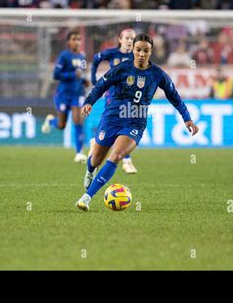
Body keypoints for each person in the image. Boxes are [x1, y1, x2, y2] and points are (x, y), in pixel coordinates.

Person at [75, 33, 199, 211]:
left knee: (117, 156)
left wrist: (187, 118)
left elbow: (175, 97)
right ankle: (90, 168)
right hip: (112, 118)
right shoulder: (121, 69)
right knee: (96, 159)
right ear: (133, 50)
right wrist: (89, 102)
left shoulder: (158, 75)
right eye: (138, 50)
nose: (142, 54)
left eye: (146, 51)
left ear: (151, 52)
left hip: (135, 123)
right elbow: (101, 85)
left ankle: (86, 197)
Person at [90, 28, 138, 174]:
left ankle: (97, 141)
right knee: (117, 121)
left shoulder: (136, 55)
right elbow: (96, 59)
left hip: (129, 94)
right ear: (120, 40)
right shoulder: (111, 53)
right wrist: (94, 79)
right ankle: (127, 161)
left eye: (132, 38)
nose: (130, 41)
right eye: (127, 38)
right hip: (113, 93)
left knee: (128, 123)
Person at [41, 31, 88, 163]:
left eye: (79, 39)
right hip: (63, 94)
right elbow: (56, 75)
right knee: (61, 125)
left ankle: (79, 153)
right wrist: (73, 75)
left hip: (78, 94)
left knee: (78, 120)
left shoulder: (82, 57)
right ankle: (51, 121)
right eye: (74, 39)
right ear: (68, 42)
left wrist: (84, 81)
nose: (77, 41)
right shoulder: (64, 56)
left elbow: (82, 74)